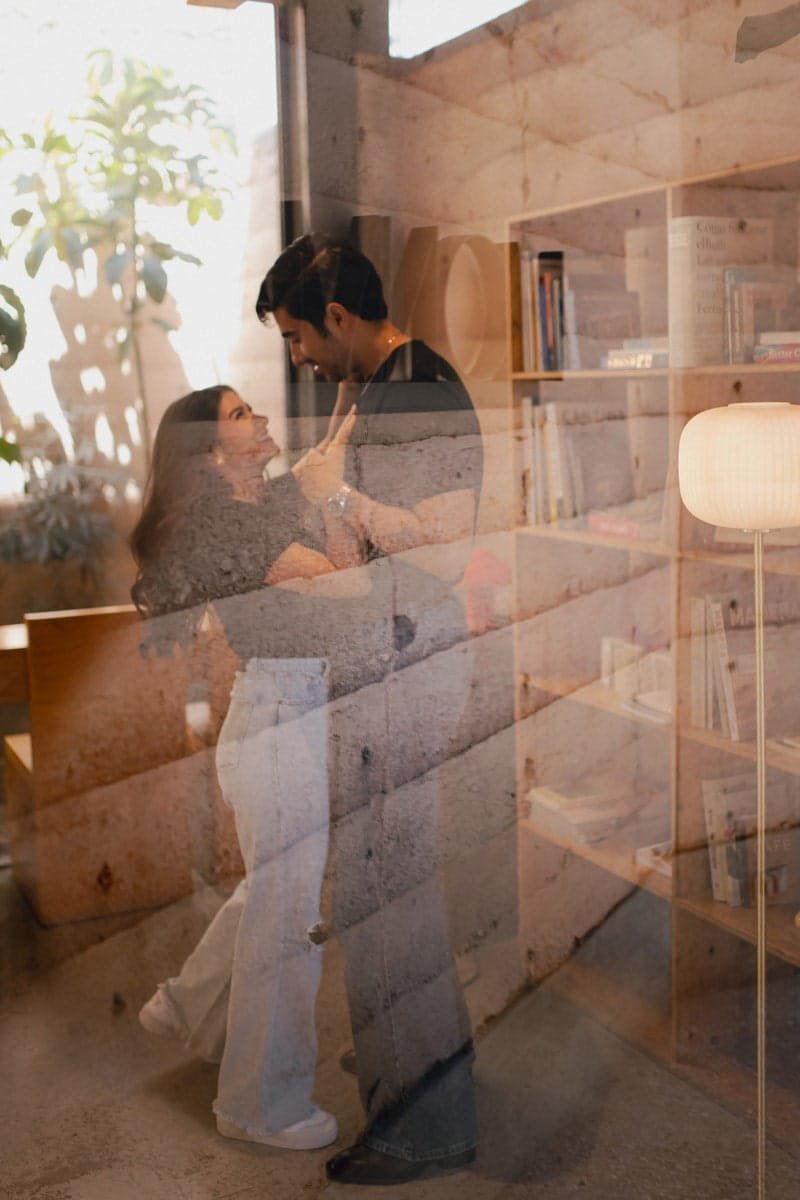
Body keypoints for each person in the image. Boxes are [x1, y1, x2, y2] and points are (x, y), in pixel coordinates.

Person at [256, 234, 484, 1185]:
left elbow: (446, 549)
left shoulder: (422, 388)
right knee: (376, 896)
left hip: (410, 664)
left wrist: (339, 491)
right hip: (388, 661)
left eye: (299, 337)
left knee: (387, 897)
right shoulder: (378, 387)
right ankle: (418, 1077)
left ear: (339, 317)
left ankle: (422, 1126)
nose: (299, 356)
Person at [130, 384, 359, 1151]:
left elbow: (313, 479)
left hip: (284, 715)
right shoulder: (226, 522)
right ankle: (261, 1105)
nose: (258, 417)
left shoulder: (261, 502)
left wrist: (327, 465)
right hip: (279, 722)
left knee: (271, 892)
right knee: (288, 918)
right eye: (238, 415)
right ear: (209, 454)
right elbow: (345, 581)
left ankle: (184, 1006)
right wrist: (337, 497)